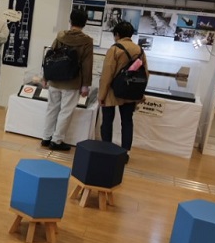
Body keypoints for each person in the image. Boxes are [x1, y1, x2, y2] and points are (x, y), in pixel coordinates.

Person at [41, 9, 94, 151]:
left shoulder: (60, 36)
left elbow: (49, 56)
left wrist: (45, 77)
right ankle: (57, 140)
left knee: (51, 108)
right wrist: (85, 85)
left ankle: (46, 137)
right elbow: (86, 64)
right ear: (84, 23)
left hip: (55, 80)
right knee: (66, 111)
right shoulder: (87, 41)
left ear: (70, 21)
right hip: (72, 82)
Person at [98, 21, 148, 153]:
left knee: (107, 121)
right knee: (127, 122)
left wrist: (101, 95)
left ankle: (106, 150)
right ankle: (124, 153)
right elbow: (145, 73)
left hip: (112, 91)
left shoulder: (114, 49)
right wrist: (140, 93)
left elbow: (107, 74)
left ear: (117, 34)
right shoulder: (139, 50)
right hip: (130, 91)